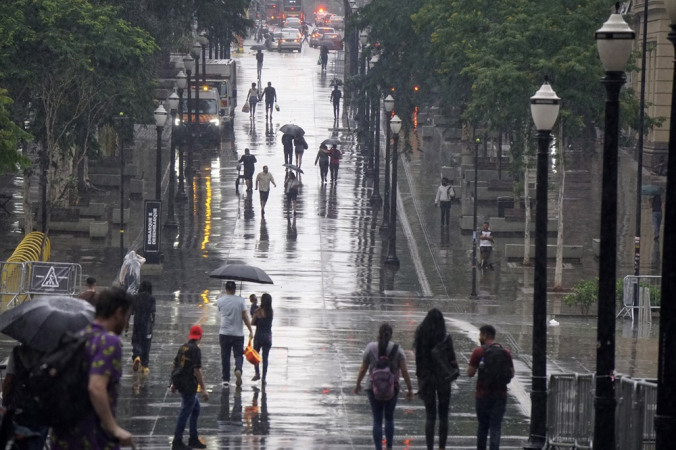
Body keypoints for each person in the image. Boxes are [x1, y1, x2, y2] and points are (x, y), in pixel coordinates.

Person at [51, 288, 134, 449]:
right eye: (127, 316)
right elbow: (96, 387)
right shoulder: (108, 341)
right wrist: (114, 428)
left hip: (64, 435)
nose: (126, 324)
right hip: (92, 436)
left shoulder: (78, 338)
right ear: (118, 312)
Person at [354, 323, 414, 450]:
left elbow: (363, 369)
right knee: (389, 418)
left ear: (378, 334)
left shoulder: (370, 348)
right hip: (392, 389)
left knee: (377, 420)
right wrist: (409, 389)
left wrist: (358, 384)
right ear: (391, 335)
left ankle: (378, 448)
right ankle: (389, 447)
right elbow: (404, 371)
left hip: (372, 388)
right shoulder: (398, 349)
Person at [414, 309, 459, 450]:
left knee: (430, 416)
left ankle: (430, 447)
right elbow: (451, 359)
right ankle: (442, 447)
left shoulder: (421, 337)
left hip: (427, 379)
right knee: (444, 415)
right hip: (443, 379)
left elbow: (418, 361)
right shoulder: (445, 338)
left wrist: (420, 381)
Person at [468, 325, 514, 450]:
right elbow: (512, 373)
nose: (479, 337)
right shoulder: (505, 352)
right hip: (500, 395)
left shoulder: (478, 352)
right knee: (496, 427)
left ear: (485, 335)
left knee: (483, 426)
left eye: (480, 334)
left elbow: (470, 373)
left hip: (482, 395)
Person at [170, 325, 209, 450]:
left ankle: (193, 439)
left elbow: (175, 364)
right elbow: (197, 370)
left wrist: (173, 383)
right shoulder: (195, 350)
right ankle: (177, 441)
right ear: (200, 336)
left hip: (181, 382)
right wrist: (203, 388)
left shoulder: (183, 347)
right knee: (185, 411)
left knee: (195, 409)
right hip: (189, 384)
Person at [3, 344, 47, 450]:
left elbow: (8, 381)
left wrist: (5, 403)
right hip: (41, 409)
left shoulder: (16, 352)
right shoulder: (50, 354)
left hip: (18, 407)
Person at [217, 281, 253, 388]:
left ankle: (226, 379)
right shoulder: (241, 301)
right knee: (238, 354)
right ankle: (238, 369)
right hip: (238, 333)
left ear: (226, 289)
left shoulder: (220, 300)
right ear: (235, 290)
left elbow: (221, 310)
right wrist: (250, 330)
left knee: (225, 355)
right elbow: (245, 317)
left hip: (224, 333)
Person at [131, 280, 156, 376]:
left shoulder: (135, 297)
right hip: (147, 324)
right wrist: (153, 323)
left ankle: (136, 356)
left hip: (137, 322)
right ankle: (144, 365)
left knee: (136, 340)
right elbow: (153, 312)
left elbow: (131, 311)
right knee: (146, 343)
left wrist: (126, 324)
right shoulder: (151, 298)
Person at [251, 293, 273, 384]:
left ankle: (257, 373)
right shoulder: (271, 311)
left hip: (259, 335)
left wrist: (258, 321)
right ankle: (264, 377)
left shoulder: (258, 311)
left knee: (255, 355)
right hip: (268, 336)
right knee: (265, 357)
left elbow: (252, 322)